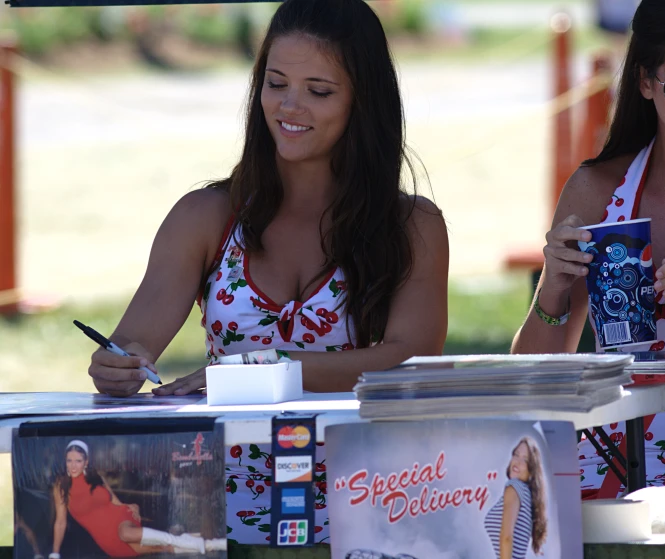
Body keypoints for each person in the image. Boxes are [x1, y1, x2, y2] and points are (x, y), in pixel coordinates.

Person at [86, 0, 448, 544]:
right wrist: (116, 365)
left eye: (318, 90)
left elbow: (408, 361)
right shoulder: (206, 215)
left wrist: (262, 368)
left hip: (367, 505)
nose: (290, 105)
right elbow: (134, 341)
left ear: (363, 100)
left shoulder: (412, 224)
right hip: (210, 512)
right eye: (276, 83)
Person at [512, 0, 665, 501]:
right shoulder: (598, 189)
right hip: (615, 450)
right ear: (646, 83)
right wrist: (555, 287)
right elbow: (531, 381)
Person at [51, 440, 224, 557]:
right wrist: (55, 553)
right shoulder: (61, 486)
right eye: (69, 460)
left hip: (121, 519)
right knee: (163, 547)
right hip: (107, 540)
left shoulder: (96, 477)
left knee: (126, 533)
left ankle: (206, 543)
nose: (73, 465)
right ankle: (211, 545)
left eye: (78, 461)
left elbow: (114, 501)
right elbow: (60, 522)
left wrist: (132, 506)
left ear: (86, 461)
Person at [484, 437, 547, 559]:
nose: (517, 462)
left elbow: (506, 537)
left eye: (525, 460)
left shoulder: (514, 487)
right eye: (516, 455)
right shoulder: (527, 494)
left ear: (531, 470)